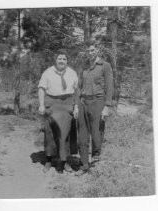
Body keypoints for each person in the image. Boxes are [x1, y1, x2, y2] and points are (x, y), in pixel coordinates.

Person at [76, 39, 114, 176]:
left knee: (97, 133)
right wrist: (76, 105)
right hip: (83, 103)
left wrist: (107, 106)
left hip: (98, 102)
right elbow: (78, 88)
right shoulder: (84, 67)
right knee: (82, 135)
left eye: (92, 50)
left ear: (98, 50)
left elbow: (110, 87)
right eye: (88, 51)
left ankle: (96, 165)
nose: (90, 53)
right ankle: (84, 165)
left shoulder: (105, 66)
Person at [38, 49, 79, 174]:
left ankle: (64, 162)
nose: (62, 61)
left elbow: (76, 91)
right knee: (49, 133)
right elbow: (41, 89)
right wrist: (41, 105)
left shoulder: (72, 73)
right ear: (55, 60)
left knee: (65, 134)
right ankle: (49, 160)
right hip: (52, 104)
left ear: (67, 61)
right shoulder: (48, 73)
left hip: (67, 104)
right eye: (60, 59)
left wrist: (76, 106)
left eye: (64, 59)